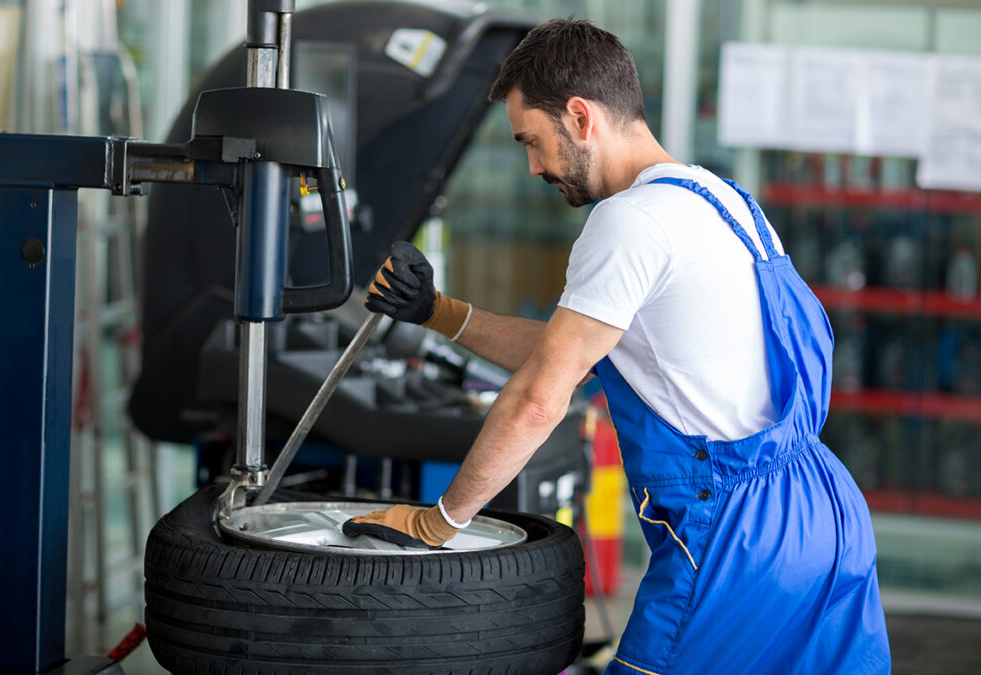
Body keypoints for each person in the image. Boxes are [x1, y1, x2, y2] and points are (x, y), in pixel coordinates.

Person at [342, 18, 892, 675]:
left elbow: (539, 398)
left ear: (579, 116)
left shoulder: (628, 220)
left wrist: (440, 521)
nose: (534, 166)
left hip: (734, 540)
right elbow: (568, 352)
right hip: (824, 513)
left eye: (533, 141)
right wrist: (439, 311)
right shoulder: (722, 200)